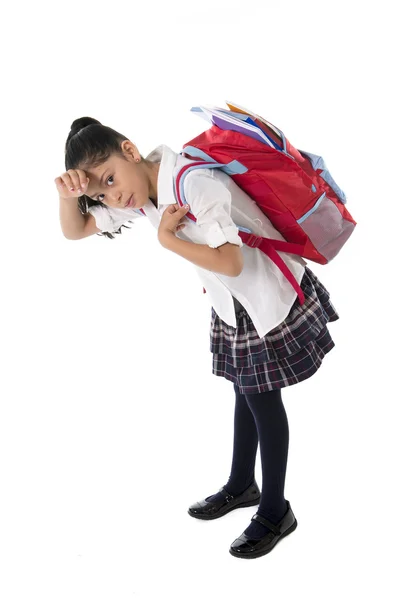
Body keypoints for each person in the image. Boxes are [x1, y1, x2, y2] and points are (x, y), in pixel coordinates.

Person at [56, 117, 339, 560]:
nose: (112, 196)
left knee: (262, 400)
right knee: (244, 391)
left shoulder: (194, 180)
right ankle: (242, 483)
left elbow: (230, 262)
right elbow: (74, 230)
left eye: (109, 179)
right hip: (235, 305)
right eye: (100, 194)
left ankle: (275, 510)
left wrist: (168, 240)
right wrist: (68, 195)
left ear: (130, 150)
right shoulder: (144, 195)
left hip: (265, 295)